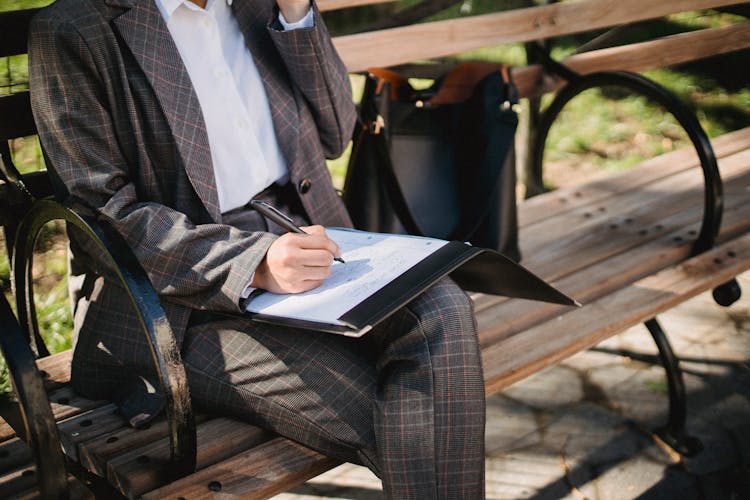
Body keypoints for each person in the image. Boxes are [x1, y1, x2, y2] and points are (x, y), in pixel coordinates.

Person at [29, 0, 486, 496]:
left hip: (307, 246)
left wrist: (295, 15)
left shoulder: (259, 7)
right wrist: (256, 263)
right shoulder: (75, 28)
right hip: (175, 302)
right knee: (422, 415)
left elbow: (336, 132)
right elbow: (102, 215)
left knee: (443, 305)